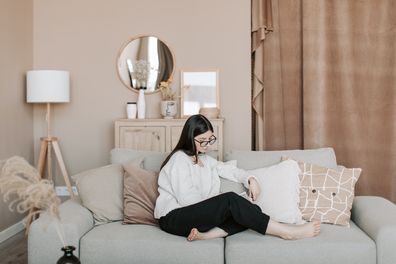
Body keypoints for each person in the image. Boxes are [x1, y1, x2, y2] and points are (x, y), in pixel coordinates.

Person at [154, 114, 320, 241]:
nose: (208, 145)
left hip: (195, 215)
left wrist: (250, 179)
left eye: (210, 139)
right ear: (190, 138)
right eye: (203, 141)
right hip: (174, 218)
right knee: (231, 202)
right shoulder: (179, 159)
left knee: (250, 210)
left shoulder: (205, 160)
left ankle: (206, 236)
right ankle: (288, 232)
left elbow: (230, 171)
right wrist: (219, 206)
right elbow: (187, 200)